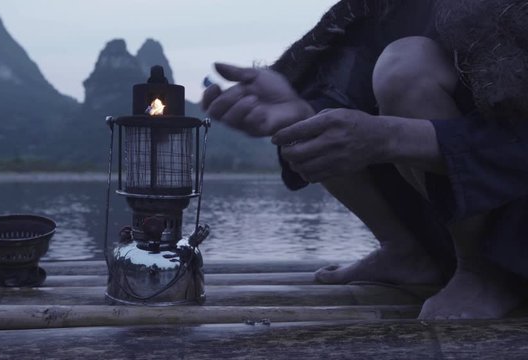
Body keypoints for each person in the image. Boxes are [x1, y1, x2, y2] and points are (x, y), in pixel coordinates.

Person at [202, 0, 528, 319]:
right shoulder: (380, 11)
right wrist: (302, 112)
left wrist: (390, 136)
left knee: (407, 67)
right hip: (444, 226)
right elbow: (353, 109)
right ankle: (405, 251)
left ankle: (484, 272)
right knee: (321, 124)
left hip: (514, 242)